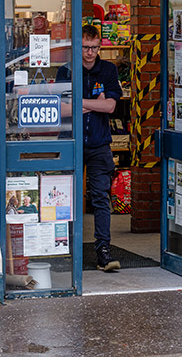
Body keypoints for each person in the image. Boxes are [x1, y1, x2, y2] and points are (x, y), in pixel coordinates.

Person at [57, 24, 123, 272]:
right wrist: (94, 103)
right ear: (78, 46)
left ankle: (103, 251)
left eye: (95, 48)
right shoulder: (66, 71)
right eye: (85, 47)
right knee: (66, 198)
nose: (90, 53)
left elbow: (110, 107)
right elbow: (60, 110)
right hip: (70, 142)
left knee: (100, 198)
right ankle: (65, 248)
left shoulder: (108, 70)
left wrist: (79, 104)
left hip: (98, 144)